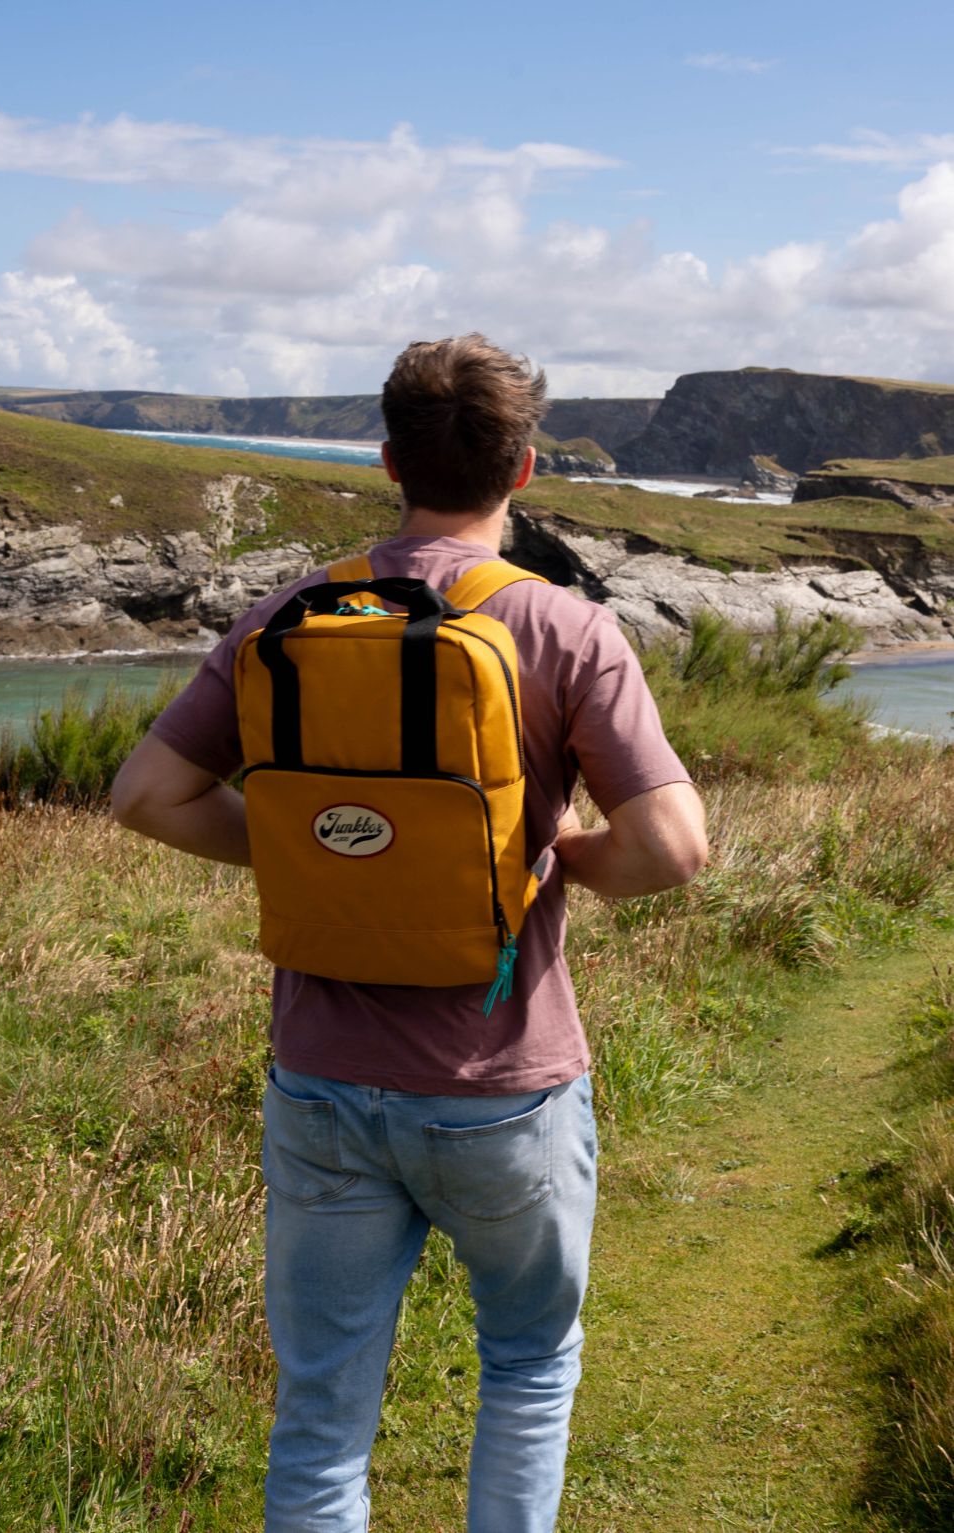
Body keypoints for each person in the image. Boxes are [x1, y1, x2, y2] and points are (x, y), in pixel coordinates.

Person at [112, 334, 707, 1533]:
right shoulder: (566, 631)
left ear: (387, 460)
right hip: (504, 1085)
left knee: (323, 1408)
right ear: (526, 470)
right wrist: (543, 861)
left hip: (323, 1082)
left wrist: (313, 848)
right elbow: (673, 847)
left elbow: (144, 797)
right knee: (528, 1366)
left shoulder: (289, 613)